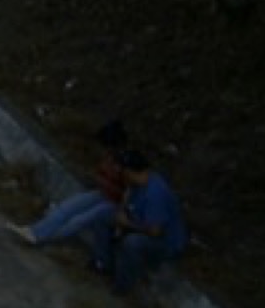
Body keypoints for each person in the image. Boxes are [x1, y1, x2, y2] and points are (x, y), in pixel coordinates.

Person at [10, 120, 126, 248]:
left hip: (116, 203)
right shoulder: (109, 157)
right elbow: (99, 174)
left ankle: (45, 238)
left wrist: (102, 181)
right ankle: (34, 232)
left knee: (81, 220)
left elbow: (125, 193)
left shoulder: (125, 162)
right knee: (67, 208)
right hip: (103, 193)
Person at [96, 150, 189, 296]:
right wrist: (121, 212)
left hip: (163, 242)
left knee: (132, 243)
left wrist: (127, 224)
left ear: (131, 172)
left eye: (123, 171)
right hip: (140, 223)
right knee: (104, 216)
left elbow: (155, 231)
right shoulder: (136, 183)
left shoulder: (155, 194)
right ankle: (103, 264)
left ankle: (122, 287)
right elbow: (127, 198)